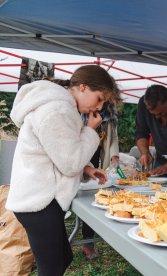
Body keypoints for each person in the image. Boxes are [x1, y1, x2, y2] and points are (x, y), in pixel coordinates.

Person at [6, 65, 121, 275]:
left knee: (63, 257)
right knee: (51, 269)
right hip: (39, 202)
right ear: (83, 87)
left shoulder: (59, 106)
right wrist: (90, 131)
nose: (100, 106)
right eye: (100, 99)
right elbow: (69, 164)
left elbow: (56, 153)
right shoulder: (57, 109)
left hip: (40, 197)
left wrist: (86, 169)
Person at [80, 102, 119, 260]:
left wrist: (114, 156)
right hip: (78, 153)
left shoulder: (109, 107)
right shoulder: (78, 106)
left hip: (96, 157)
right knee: (77, 198)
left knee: (91, 197)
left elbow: (113, 134)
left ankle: (88, 240)